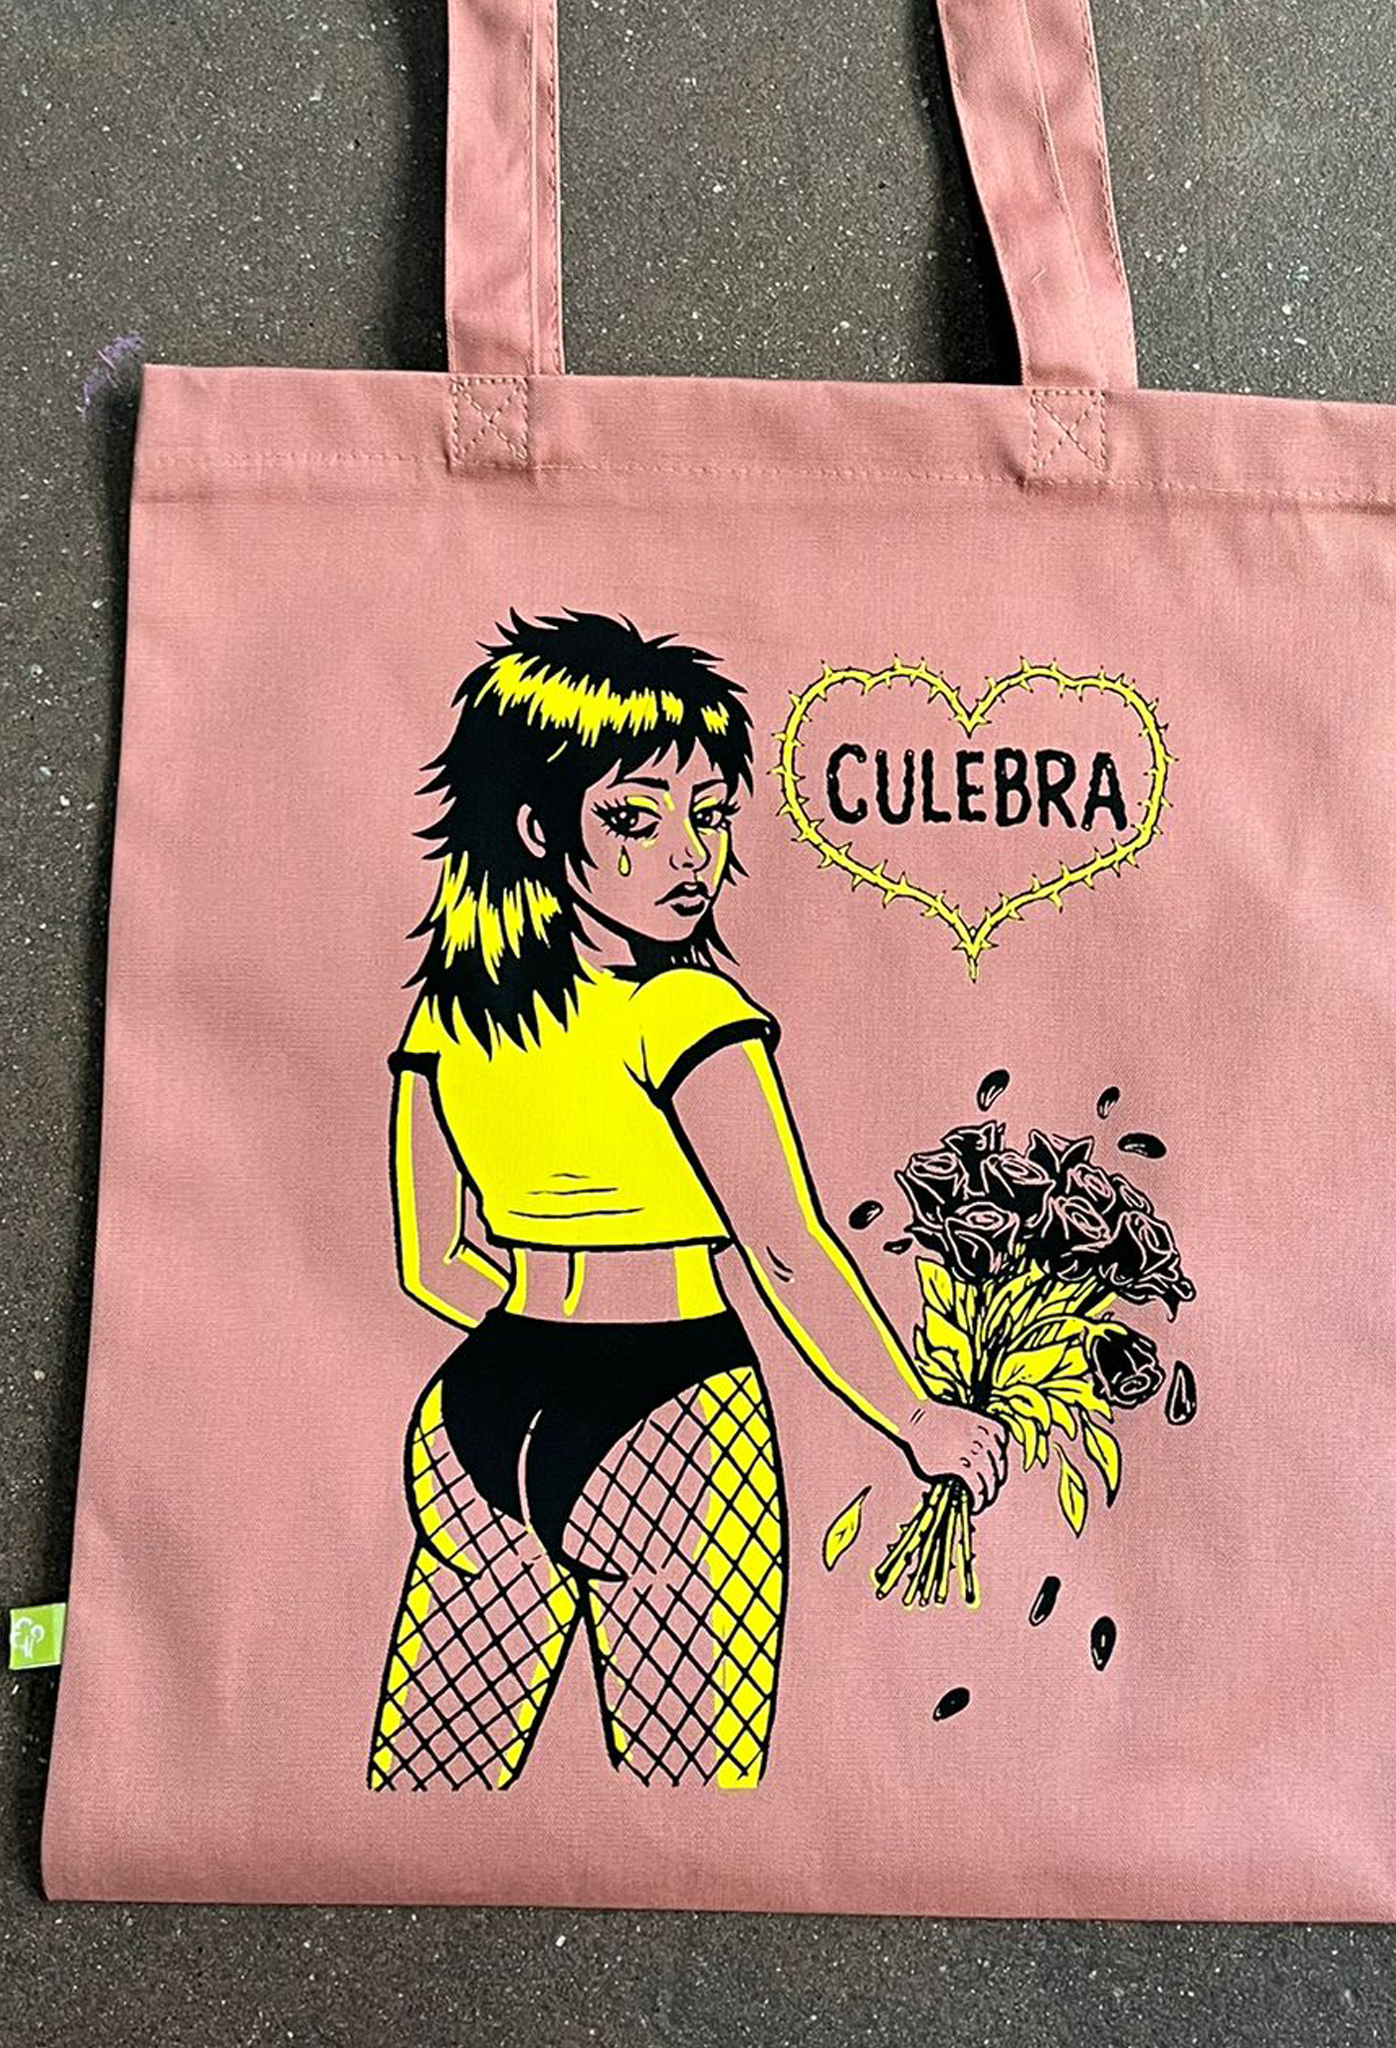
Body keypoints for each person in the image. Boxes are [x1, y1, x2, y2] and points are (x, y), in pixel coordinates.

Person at [367, 609, 1009, 1792]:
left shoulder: (448, 1014)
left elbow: (431, 1260)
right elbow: (787, 1247)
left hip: (480, 1405)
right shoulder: (684, 1011)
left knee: (431, 1778)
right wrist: (916, 1417)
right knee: (695, 1802)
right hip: (671, 1417)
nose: (686, 855)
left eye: (709, 815)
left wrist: (545, 1327)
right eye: (634, 817)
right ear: (536, 826)